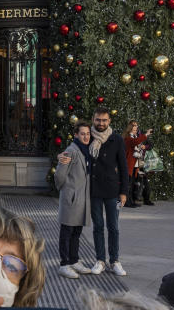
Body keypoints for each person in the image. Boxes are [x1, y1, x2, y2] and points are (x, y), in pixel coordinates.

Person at [87, 107, 129, 277]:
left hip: (112, 190)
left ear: (109, 121)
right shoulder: (87, 137)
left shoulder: (117, 139)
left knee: (114, 227)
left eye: (104, 120)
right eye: (98, 120)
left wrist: (124, 192)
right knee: (98, 226)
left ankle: (115, 261)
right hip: (94, 189)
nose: (101, 123)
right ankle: (100, 260)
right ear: (93, 119)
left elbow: (124, 167)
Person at [55, 122, 92, 279]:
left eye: (88, 133)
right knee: (67, 232)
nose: (85, 136)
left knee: (76, 232)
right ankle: (64, 264)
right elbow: (59, 175)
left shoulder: (86, 151)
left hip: (82, 199)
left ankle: (74, 260)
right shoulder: (71, 151)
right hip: (72, 198)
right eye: (82, 133)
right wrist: (66, 191)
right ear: (76, 135)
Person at [123, 120, 153, 208]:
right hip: (128, 164)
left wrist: (143, 147)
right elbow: (135, 142)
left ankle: (131, 201)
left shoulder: (135, 137)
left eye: (136, 125)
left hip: (135, 165)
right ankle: (126, 202)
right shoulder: (128, 138)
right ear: (130, 127)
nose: (136, 127)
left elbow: (140, 144)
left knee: (132, 184)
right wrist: (146, 134)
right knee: (128, 185)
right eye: (134, 125)